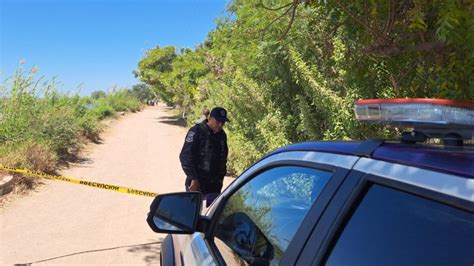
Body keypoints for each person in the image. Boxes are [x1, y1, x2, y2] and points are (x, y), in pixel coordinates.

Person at [179, 107, 229, 203]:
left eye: (223, 122)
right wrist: (194, 178)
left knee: (211, 215)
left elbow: (223, 158)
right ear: (210, 118)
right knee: (194, 213)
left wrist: (221, 178)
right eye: (218, 121)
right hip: (197, 185)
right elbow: (185, 157)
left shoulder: (222, 136)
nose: (220, 125)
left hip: (214, 187)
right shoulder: (197, 131)